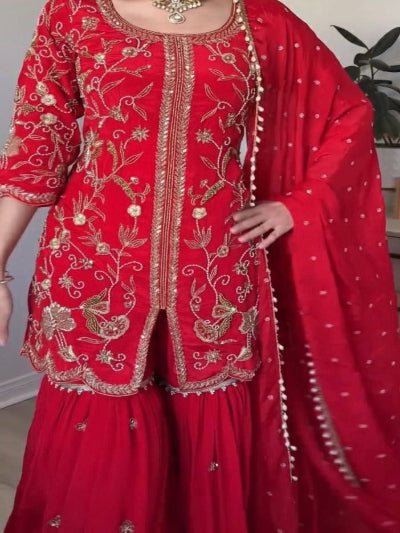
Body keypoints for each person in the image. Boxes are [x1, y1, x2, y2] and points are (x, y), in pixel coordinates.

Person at [0, 0, 399, 531]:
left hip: (215, 265)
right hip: (95, 265)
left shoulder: (259, 19)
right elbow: (37, 146)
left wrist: (299, 203)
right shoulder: (74, 13)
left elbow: (348, 113)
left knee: (209, 421)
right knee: (98, 425)